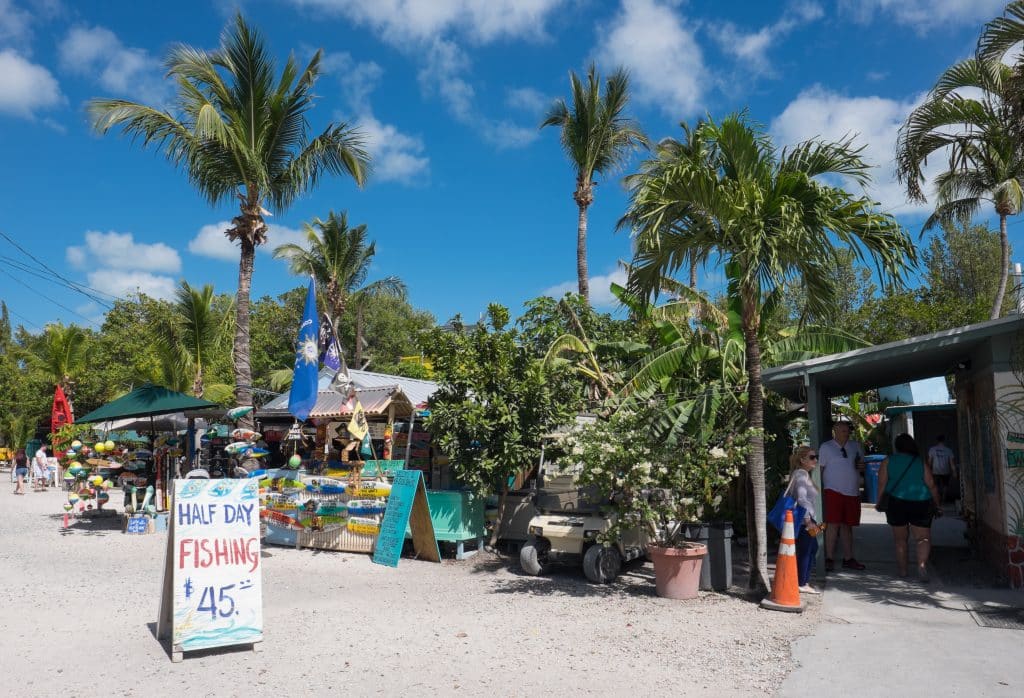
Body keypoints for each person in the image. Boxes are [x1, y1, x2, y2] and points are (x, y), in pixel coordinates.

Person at [878, 433, 942, 582]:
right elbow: (931, 484)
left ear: (897, 446)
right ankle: (921, 565)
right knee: (923, 538)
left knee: (900, 540)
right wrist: (937, 503)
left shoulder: (888, 461)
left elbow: (882, 483)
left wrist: (879, 501)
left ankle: (903, 571)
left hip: (896, 502)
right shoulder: (919, 461)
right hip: (921, 502)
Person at [819, 420, 867, 571]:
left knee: (848, 526)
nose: (847, 434)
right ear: (836, 431)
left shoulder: (855, 446)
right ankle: (829, 558)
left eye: (848, 431)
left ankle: (848, 558)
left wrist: (861, 466)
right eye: (843, 431)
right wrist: (816, 490)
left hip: (852, 491)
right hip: (833, 490)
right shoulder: (826, 447)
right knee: (832, 524)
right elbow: (820, 469)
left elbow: (862, 465)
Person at [788, 445, 826, 594]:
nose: (815, 460)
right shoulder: (801, 475)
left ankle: (803, 580)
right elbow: (802, 499)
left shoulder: (802, 474)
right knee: (807, 549)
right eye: (811, 457)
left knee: (812, 548)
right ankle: (802, 582)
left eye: (815, 456)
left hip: (809, 518)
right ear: (802, 460)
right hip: (806, 519)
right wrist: (807, 520)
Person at [927, 435, 957, 504]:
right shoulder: (949, 450)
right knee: (945, 486)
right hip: (945, 471)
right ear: (944, 440)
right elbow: (951, 463)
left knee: (936, 486)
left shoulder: (932, 449)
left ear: (937, 441)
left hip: (936, 471)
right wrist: (954, 471)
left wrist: (928, 470)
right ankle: (943, 500)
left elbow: (930, 461)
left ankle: (937, 500)